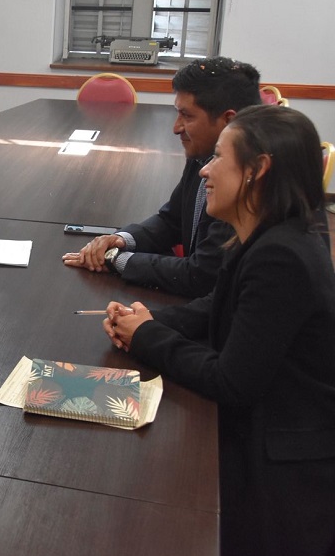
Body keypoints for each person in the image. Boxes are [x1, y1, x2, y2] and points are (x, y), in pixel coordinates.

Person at [103, 105, 335, 556]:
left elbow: (231, 381)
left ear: (256, 169)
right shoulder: (269, 231)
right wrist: (146, 320)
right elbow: (219, 305)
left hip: (281, 472)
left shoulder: (282, 257)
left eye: (219, 158)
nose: (205, 170)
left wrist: (147, 337)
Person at [63, 56, 262, 297]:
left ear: (229, 121)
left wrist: (116, 259)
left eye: (187, 116)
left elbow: (200, 275)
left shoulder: (246, 184)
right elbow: (172, 220)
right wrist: (121, 240)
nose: (176, 128)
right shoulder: (203, 154)